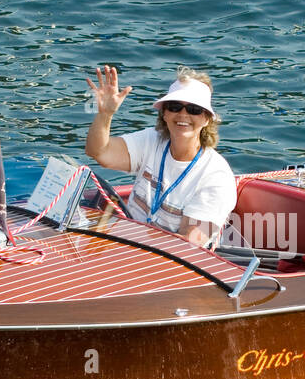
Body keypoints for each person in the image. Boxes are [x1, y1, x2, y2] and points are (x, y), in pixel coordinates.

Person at [84, 65, 236, 247]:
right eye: (175, 106)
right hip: (125, 246)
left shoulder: (216, 176)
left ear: (206, 119)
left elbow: (189, 245)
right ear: (164, 113)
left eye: (194, 109)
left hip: (169, 265)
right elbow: (99, 152)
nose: (183, 114)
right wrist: (105, 115)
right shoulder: (152, 139)